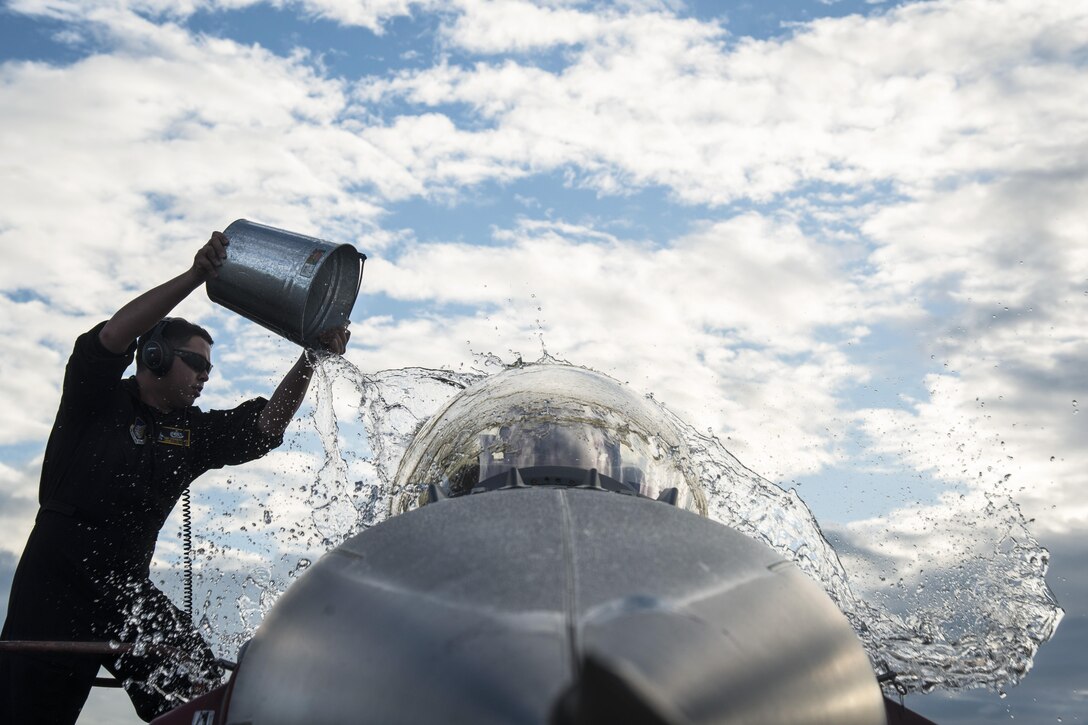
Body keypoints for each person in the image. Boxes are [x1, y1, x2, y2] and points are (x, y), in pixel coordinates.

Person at [0, 231, 349, 723]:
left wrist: (311, 358)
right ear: (155, 358)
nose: (206, 376)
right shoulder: (95, 398)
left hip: (125, 591)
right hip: (54, 584)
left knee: (203, 692)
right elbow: (111, 338)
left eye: (210, 368)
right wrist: (195, 277)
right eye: (196, 363)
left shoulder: (191, 432)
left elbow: (267, 425)